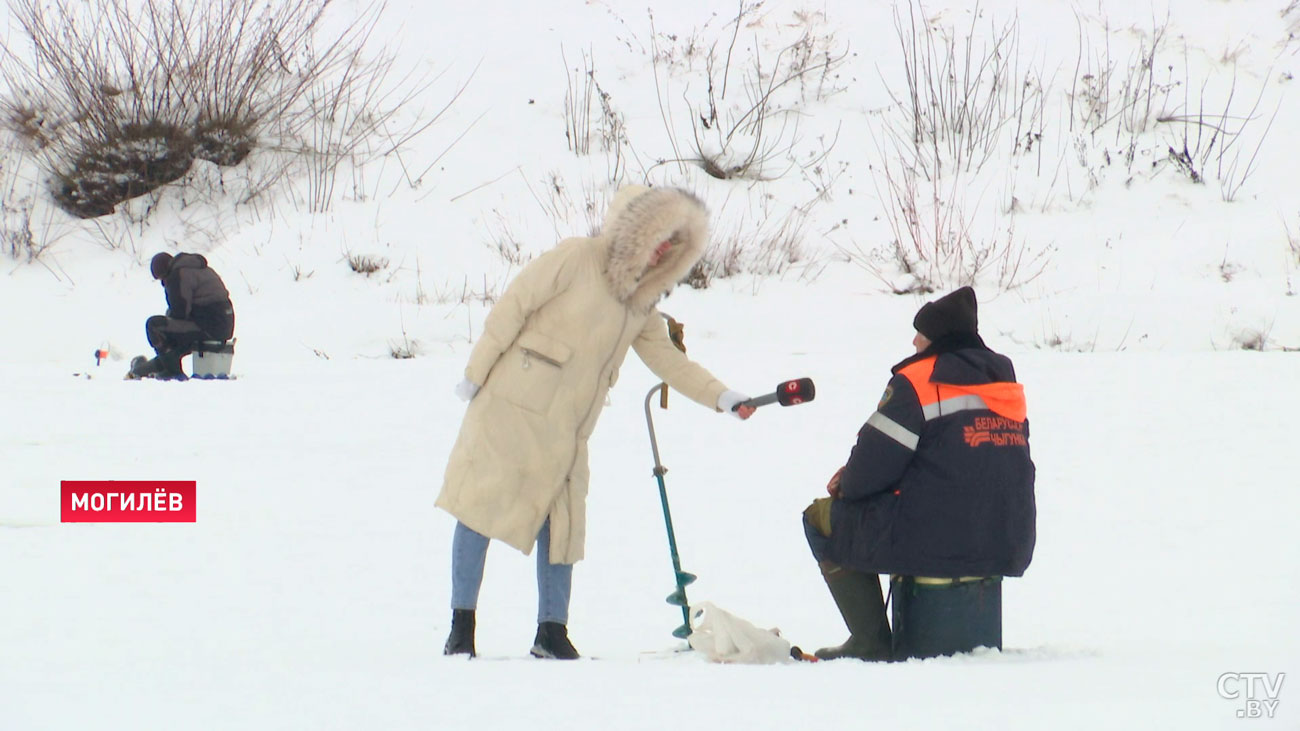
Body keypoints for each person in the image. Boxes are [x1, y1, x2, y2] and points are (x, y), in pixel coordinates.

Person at [437, 185, 756, 660]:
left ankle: (552, 631)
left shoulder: (641, 303)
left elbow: (670, 363)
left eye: (675, 241)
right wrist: (474, 373)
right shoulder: (576, 258)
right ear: (637, 229)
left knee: (562, 525)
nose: (664, 248)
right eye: (660, 235)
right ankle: (461, 629)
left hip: (568, 430)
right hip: (510, 408)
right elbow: (513, 306)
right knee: (479, 507)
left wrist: (723, 397)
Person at [802, 286, 1035, 661]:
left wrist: (846, 482)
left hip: (934, 541)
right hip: (1006, 537)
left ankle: (869, 639)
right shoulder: (1005, 383)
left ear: (937, 339)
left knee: (819, 518)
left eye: (921, 334)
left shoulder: (917, 382)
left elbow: (866, 476)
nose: (914, 340)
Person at [128, 252, 235, 379]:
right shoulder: (200, 269)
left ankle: (172, 372)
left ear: (164, 272)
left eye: (161, 279)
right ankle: (149, 368)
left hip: (208, 326)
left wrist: (168, 321)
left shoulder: (178, 275)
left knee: (155, 326)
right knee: (175, 334)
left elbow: (180, 312)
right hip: (224, 324)